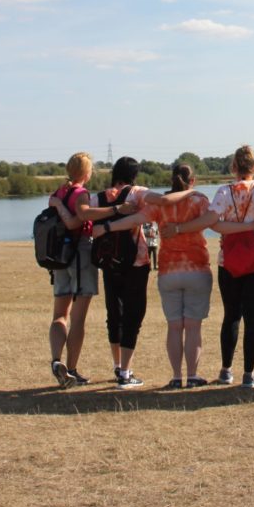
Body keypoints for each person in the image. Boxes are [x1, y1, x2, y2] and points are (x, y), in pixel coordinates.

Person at [163, 145, 254, 388]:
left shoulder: (224, 192)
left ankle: (226, 370)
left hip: (230, 259)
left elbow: (212, 224)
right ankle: (249, 374)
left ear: (233, 167)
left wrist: (181, 229)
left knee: (231, 315)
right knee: (253, 319)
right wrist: (250, 228)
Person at [94, 164, 212, 389]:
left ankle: (177, 377)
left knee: (175, 327)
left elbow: (134, 220)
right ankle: (193, 375)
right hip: (196, 268)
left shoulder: (158, 205)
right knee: (194, 327)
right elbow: (211, 221)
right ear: (192, 181)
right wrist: (184, 227)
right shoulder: (200, 200)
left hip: (168, 271)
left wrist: (107, 227)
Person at [54, 156, 151, 388]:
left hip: (107, 262)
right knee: (132, 315)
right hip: (135, 260)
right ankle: (124, 372)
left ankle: (116, 364)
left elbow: (81, 218)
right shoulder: (137, 192)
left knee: (113, 314)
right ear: (134, 176)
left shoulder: (97, 196)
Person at [46, 152, 120, 388]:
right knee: (78, 318)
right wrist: (116, 209)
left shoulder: (60, 192)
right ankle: (73, 369)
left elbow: (62, 215)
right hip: (80, 255)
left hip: (59, 258)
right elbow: (82, 216)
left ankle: (57, 360)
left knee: (60, 314)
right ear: (87, 173)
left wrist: (59, 206)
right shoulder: (80, 194)